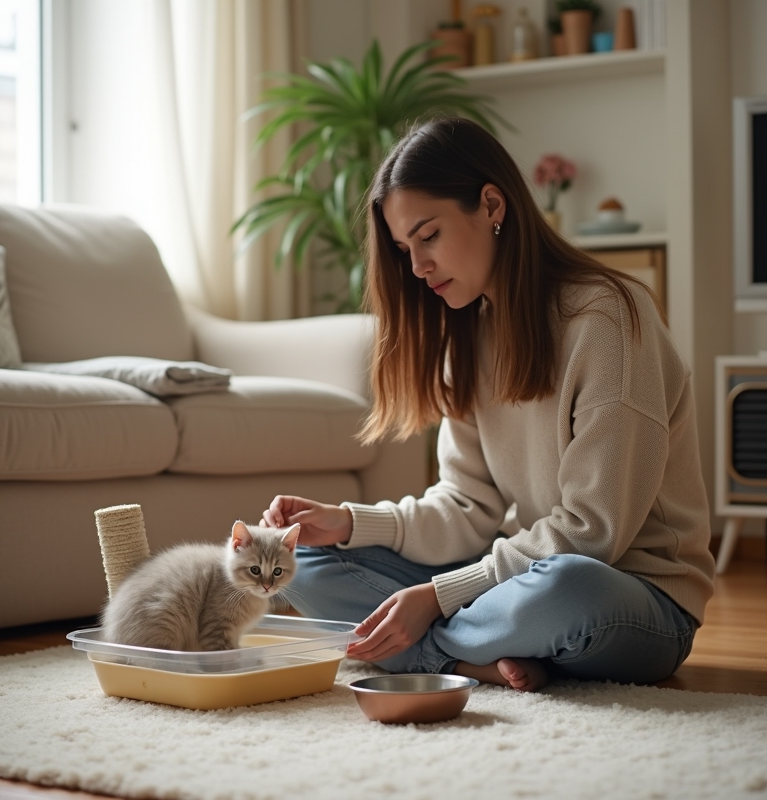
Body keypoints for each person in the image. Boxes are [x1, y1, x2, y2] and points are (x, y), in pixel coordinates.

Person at [261, 116, 715, 692]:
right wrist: (349, 523)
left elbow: (593, 533)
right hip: (522, 582)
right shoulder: (469, 333)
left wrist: (435, 597)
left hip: (631, 599)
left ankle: (437, 654)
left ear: (492, 205)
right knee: (299, 560)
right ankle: (478, 656)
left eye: (429, 236)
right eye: (404, 249)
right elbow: (466, 506)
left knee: (565, 587)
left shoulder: (608, 318)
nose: (417, 266)